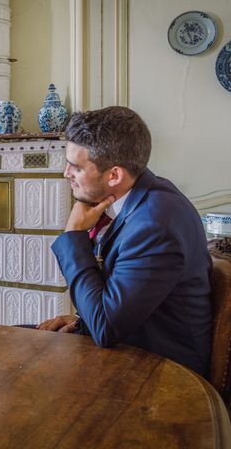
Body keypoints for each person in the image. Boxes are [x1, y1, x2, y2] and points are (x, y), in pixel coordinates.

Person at [36, 106, 212, 376]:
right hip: (128, 344)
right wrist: (83, 321)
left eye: (76, 166)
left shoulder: (155, 225)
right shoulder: (142, 195)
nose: (66, 173)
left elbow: (106, 327)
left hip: (163, 371)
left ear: (114, 175)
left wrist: (74, 236)